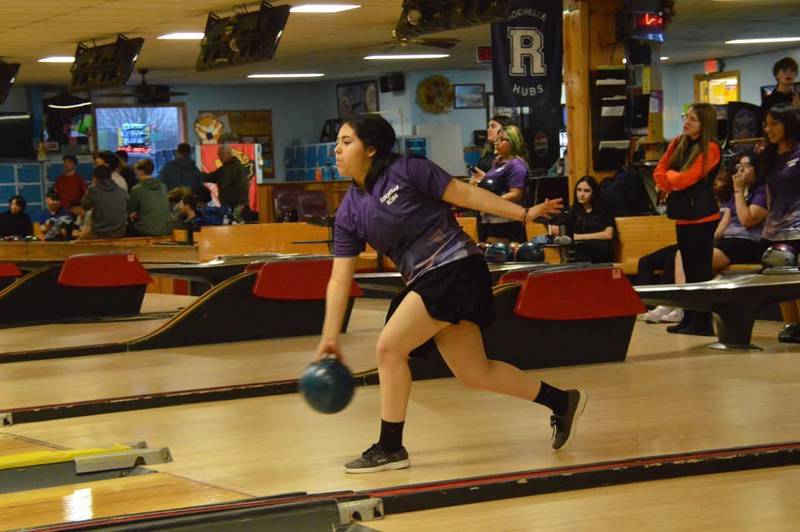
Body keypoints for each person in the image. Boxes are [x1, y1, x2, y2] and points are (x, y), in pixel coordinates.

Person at [315, 114, 586, 474]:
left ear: (372, 147)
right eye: (338, 143)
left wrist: (523, 214)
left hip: (455, 266)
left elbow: (468, 194)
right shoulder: (349, 211)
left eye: (347, 142)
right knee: (475, 373)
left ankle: (390, 446)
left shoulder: (408, 170)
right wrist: (329, 337)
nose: (337, 150)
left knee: (389, 347)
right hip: (426, 278)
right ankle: (562, 402)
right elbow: (339, 280)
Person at [654, 103, 722, 336]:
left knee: (700, 271)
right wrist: (671, 178)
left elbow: (685, 179)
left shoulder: (711, 148)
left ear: (705, 124)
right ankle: (689, 316)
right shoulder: (677, 143)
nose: (686, 122)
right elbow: (659, 173)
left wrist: (671, 178)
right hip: (682, 216)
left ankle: (703, 322)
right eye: (686, 117)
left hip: (703, 216)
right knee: (689, 271)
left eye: (693, 119)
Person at [759, 104, 800, 342]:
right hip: (775, 229)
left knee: (797, 281)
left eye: (774, 123)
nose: (768, 129)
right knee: (782, 281)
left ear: (789, 124)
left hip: (797, 227)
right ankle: (791, 325)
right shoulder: (770, 157)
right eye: (766, 124)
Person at [469, 125, 529, 243]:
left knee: (497, 253)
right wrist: (483, 179)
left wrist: (491, 204)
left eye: (502, 140)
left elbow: (516, 194)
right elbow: (495, 184)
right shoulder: (499, 163)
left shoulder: (517, 165)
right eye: (497, 140)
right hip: (490, 218)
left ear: (513, 142)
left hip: (506, 220)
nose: (497, 143)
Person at [550, 175, 616, 263]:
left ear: (594, 193)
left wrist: (577, 237)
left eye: (586, 191)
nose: (581, 194)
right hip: (579, 254)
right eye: (579, 190)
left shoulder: (603, 211)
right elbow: (557, 230)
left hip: (601, 252)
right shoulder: (571, 212)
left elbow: (608, 235)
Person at [81, 165, 128, 239]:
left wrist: (90, 189)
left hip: (99, 233)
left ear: (95, 178)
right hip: (119, 233)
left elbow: (85, 206)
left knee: (81, 238)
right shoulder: (122, 191)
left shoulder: (93, 190)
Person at [128, 158, 171, 236]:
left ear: (141, 171)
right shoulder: (163, 187)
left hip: (145, 230)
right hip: (165, 228)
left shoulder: (137, 189)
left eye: (136, 170)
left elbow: (130, 210)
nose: (134, 172)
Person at [204, 144, 249, 211]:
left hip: (237, 207)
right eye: (218, 155)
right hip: (226, 206)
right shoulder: (223, 169)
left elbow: (243, 186)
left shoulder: (238, 168)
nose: (219, 157)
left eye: (221, 154)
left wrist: (242, 204)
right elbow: (210, 177)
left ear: (229, 154)